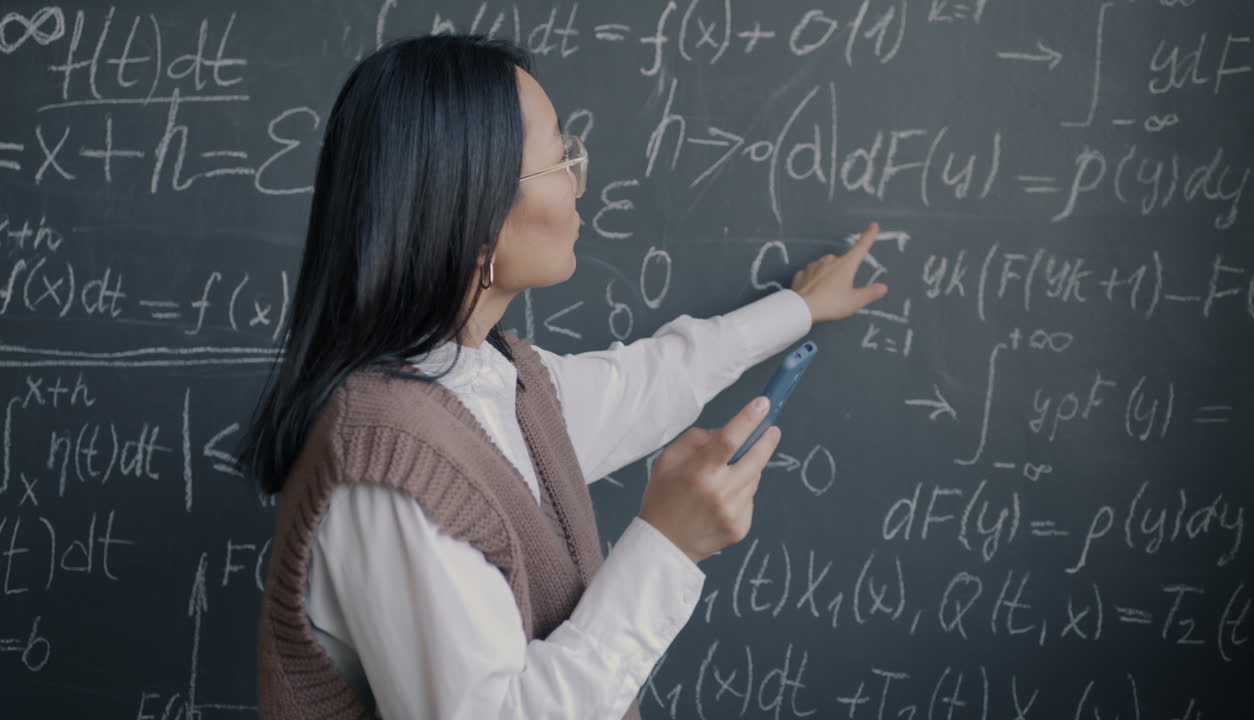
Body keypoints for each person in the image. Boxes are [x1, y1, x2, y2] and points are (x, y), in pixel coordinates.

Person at [240, 33, 888, 720]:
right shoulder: (390, 468)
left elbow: (653, 379)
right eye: (561, 159)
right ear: (477, 213)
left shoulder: (493, 382)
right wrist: (667, 544)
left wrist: (798, 308)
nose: (581, 181)